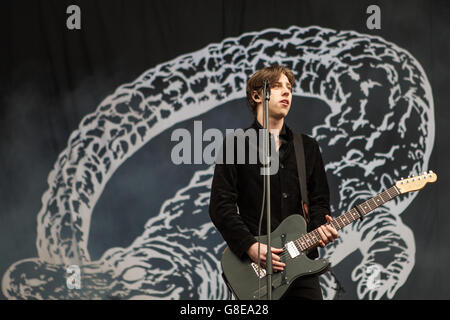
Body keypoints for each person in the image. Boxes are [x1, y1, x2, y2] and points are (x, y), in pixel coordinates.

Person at [209, 64, 338, 300]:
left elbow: (319, 201)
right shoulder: (236, 145)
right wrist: (250, 246)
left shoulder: (307, 147)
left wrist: (321, 227)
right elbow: (220, 206)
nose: (287, 92)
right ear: (257, 95)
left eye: (289, 87)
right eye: (278, 86)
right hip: (255, 268)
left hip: (301, 266)